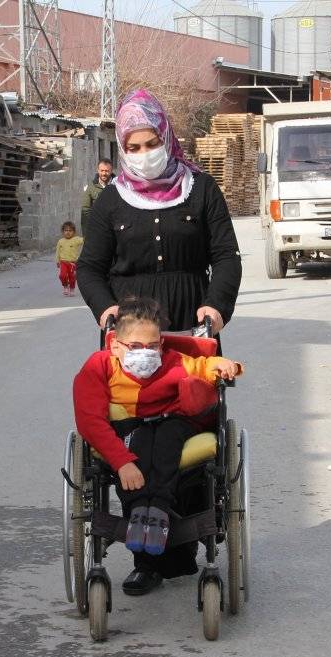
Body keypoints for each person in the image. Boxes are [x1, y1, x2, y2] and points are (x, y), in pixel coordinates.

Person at [75, 89, 242, 595]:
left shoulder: (201, 190)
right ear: (122, 149)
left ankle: (190, 543)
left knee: (188, 432)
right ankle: (145, 558)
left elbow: (226, 256)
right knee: (135, 434)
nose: (144, 153)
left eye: (151, 143)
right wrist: (105, 309)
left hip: (190, 330)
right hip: (131, 336)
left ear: (167, 138)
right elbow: (90, 267)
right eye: (134, 146)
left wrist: (216, 306)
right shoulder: (111, 201)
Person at [72, 297, 242, 591]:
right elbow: (89, 420)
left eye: (152, 346)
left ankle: (159, 510)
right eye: (135, 346)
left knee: (166, 438)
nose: (146, 353)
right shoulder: (99, 366)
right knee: (138, 444)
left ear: (161, 345)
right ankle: (141, 510)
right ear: (115, 345)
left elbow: (203, 366)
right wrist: (122, 462)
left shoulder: (173, 361)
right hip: (129, 426)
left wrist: (227, 365)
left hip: (172, 422)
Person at [80, 158, 113, 232]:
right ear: (98, 170)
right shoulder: (91, 188)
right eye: (102, 170)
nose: (104, 173)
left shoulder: (118, 186)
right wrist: (87, 234)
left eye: (107, 171)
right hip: (98, 229)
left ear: (111, 171)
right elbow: (85, 211)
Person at [56, 221, 83, 296]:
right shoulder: (60, 241)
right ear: (63, 231)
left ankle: (72, 288)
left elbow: (84, 240)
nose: (68, 232)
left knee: (72, 277)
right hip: (63, 262)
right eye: (66, 230)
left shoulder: (76, 239)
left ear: (74, 232)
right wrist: (57, 261)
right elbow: (57, 251)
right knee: (62, 275)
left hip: (73, 263)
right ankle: (65, 286)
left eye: (70, 230)